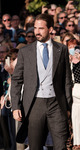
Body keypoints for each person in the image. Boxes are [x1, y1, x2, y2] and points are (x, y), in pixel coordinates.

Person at [11, 13, 73, 150]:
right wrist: (15, 106)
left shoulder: (61, 49)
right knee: (35, 146)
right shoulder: (25, 52)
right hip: (34, 104)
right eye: (35, 28)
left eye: (41, 28)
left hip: (57, 104)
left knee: (61, 146)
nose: (36, 32)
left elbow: (67, 79)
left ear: (50, 29)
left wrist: (68, 106)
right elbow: (16, 80)